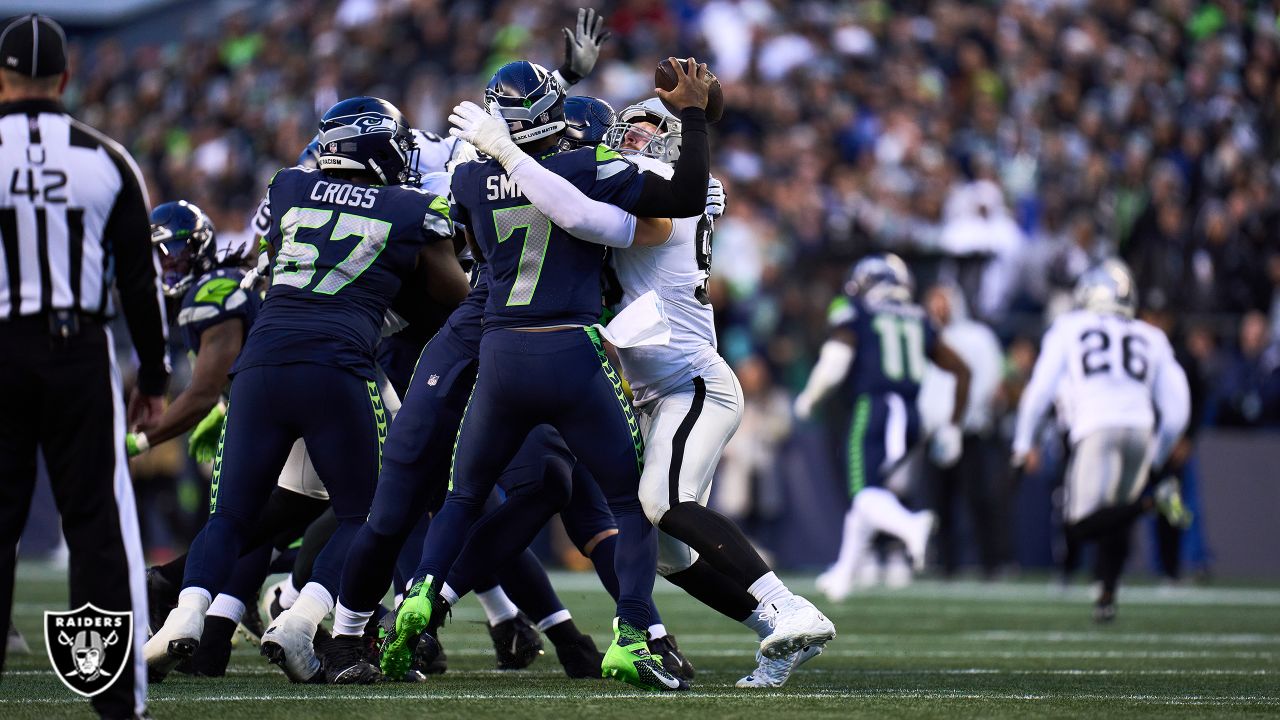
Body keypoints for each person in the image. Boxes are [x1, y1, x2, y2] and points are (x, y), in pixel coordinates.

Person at [449, 92, 837, 687]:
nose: (627, 137)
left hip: (690, 379)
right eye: (623, 128)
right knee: (668, 555)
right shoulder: (663, 181)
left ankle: (790, 605)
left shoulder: (655, 181)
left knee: (664, 502)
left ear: (669, 141)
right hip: (655, 387)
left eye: (643, 128)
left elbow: (576, 214)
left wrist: (503, 150)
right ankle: (775, 634)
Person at [383, 58, 714, 692]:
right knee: (629, 503)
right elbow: (680, 199)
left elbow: (472, 242)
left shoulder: (472, 178)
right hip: (570, 346)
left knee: (462, 496)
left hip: (501, 351)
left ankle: (421, 599)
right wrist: (695, 119)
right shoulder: (583, 167)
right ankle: (636, 634)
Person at [143, 96, 472, 681]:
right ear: (377, 148)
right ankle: (300, 621)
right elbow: (455, 295)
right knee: (369, 514)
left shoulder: (288, 186)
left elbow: (289, 264)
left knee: (230, 518)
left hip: (261, 367)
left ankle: (183, 617)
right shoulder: (413, 207)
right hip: (337, 368)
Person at [0, 14, 167, 720]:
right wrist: (154, 378)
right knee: (97, 526)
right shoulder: (106, 158)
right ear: (66, 78)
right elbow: (140, 281)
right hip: (78, 352)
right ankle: (116, 705)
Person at [1012, 259, 1191, 621]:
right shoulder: (1150, 335)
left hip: (1095, 425)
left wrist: (1022, 442)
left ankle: (1151, 503)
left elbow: (1040, 390)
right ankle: (1107, 596)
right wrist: (1159, 453)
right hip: (1140, 427)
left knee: (1080, 523)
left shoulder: (1069, 327)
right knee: (1116, 516)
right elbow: (1178, 407)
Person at [793, 254, 971, 602]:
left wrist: (809, 398)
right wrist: (953, 426)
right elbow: (962, 370)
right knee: (869, 491)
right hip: (910, 414)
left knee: (862, 491)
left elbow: (834, 365)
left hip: (875, 408)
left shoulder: (856, 310)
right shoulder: (919, 316)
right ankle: (844, 574)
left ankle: (910, 525)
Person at [921, 284, 1006, 577]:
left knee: (980, 499)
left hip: (970, 432)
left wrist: (959, 422)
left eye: (942, 302)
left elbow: (988, 380)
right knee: (938, 504)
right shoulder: (924, 337)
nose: (938, 309)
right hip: (934, 434)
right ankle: (945, 564)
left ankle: (992, 563)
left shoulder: (977, 337)